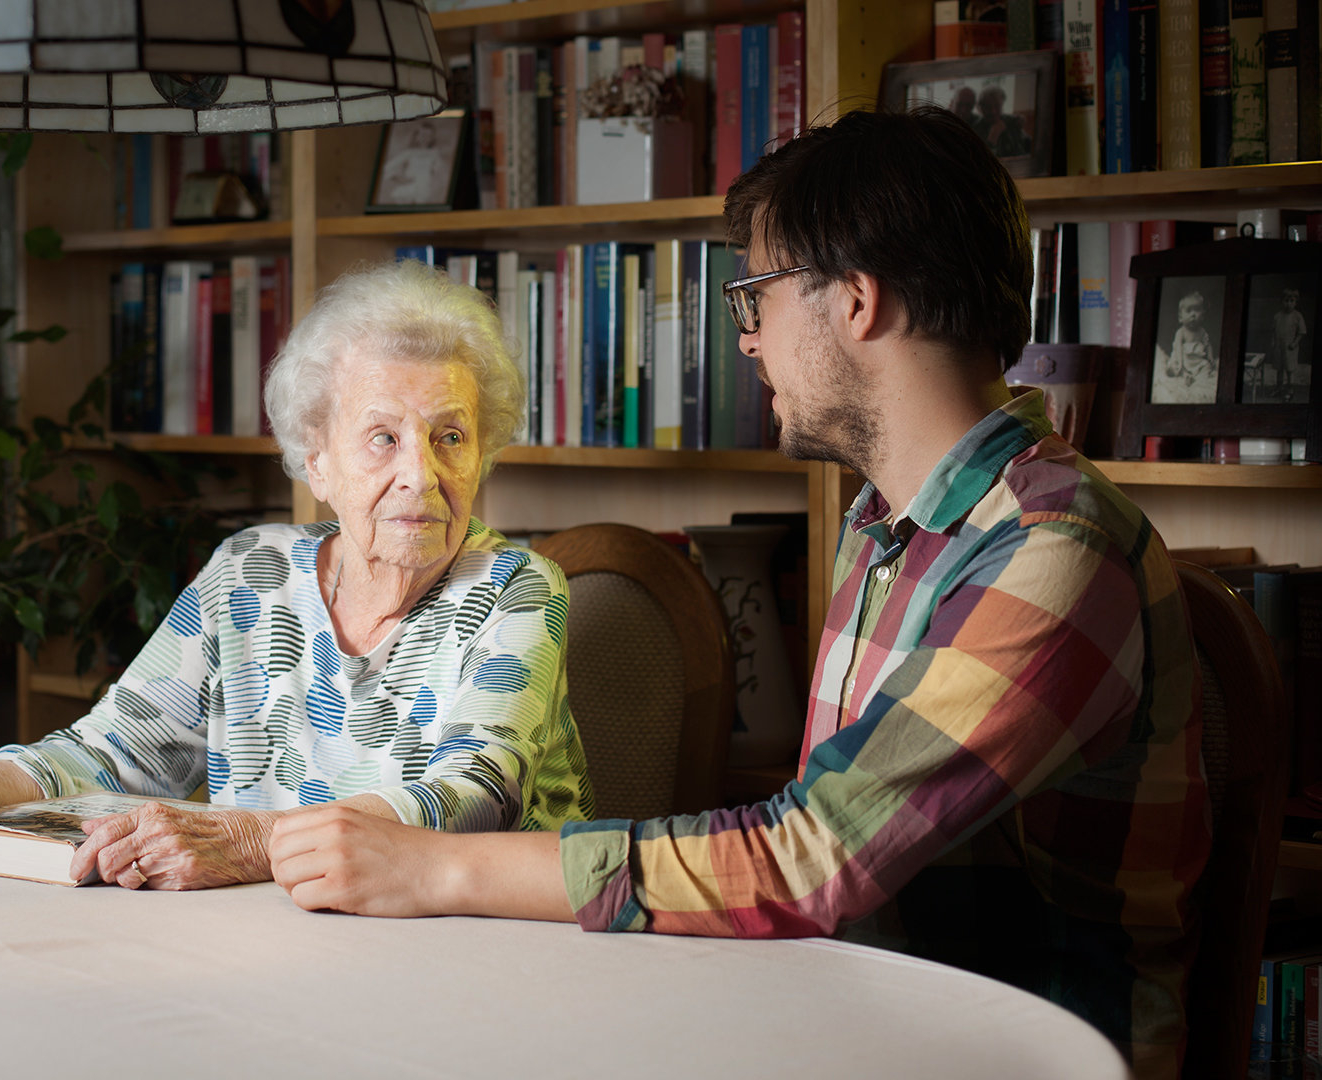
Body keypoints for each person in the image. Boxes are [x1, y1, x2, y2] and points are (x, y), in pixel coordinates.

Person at [271, 106, 1207, 1080]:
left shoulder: (1052, 547)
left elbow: (813, 855)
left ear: (854, 301)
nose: (749, 341)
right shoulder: (883, 522)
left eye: (756, 298)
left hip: (1012, 1054)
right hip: (848, 1022)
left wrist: (434, 866)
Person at [0, 259, 594, 890]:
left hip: (481, 953)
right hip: (277, 940)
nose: (420, 474)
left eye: (450, 437)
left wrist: (254, 843)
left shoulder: (516, 590)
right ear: (318, 460)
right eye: (383, 438)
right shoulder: (250, 574)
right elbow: (116, 750)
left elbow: (471, 801)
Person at [1154, 290, 1215, 404]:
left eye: (1197, 310)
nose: (1193, 315)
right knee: (1173, 367)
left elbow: (1208, 344)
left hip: (1197, 361)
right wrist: (1180, 364)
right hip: (1183, 359)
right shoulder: (1181, 332)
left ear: (1203, 315)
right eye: (1189, 311)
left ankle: (1196, 379)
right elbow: (1177, 349)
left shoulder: (1202, 332)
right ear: (1180, 317)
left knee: (1206, 366)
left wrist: (1210, 356)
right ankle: (1184, 375)